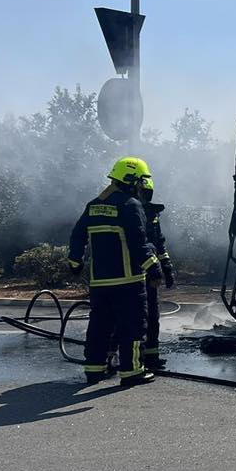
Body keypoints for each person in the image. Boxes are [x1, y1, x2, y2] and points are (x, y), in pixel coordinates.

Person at [67, 156, 159, 387]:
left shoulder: (94, 205)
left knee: (99, 326)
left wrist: (75, 262)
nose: (141, 187)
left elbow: (77, 236)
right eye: (140, 181)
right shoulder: (130, 205)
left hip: (99, 283)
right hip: (129, 281)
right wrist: (154, 269)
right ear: (131, 180)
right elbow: (139, 242)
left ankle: (94, 369)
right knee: (133, 326)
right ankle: (132, 372)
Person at [137, 173, 175, 371]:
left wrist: (167, 268)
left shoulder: (152, 214)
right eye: (139, 191)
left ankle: (151, 356)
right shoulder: (127, 212)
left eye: (145, 193)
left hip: (151, 274)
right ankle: (119, 356)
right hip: (132, 274)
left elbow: (159, 243)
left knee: (152, 314)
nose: (142, 196)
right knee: (133, 317)